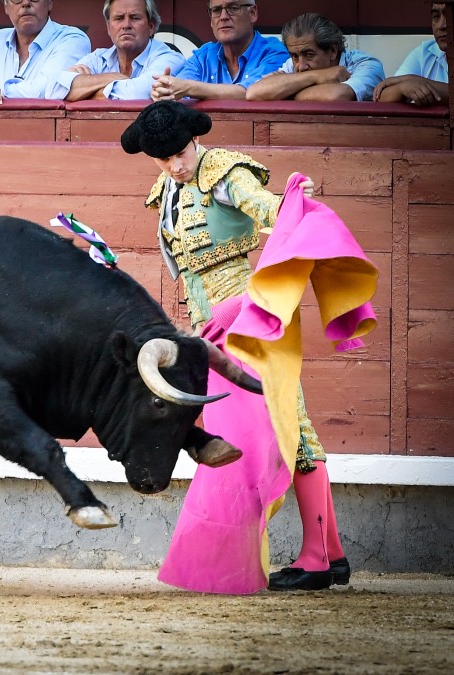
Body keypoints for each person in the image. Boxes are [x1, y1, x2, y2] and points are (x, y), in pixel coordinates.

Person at [122, 101, 355, 593]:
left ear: (195, 141)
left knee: (291, 424)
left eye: (180, 154)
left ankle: (315, 559)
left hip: (252, 320)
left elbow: (269, 210)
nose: (174, 166)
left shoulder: (225, 172)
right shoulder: (166, 187)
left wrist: (293, 200)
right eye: (162, 159)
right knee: (275, 426)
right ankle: (331, 553)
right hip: (211, 330)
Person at [0, 0, 90, 104]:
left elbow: (44, 91)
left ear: (50, 2)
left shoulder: (73, 39)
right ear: (6, 6)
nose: (26, 3)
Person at [46, 0, 185, 101]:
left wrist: (85, 91)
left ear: (151, 27)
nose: (126, 25)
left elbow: (136, 94)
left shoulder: (169, 58)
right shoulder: (97, 58)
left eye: (135, 18)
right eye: (118, 18)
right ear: (108, 28)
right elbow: (53, 90)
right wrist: (114, 77)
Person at [150, 1, 287, 101]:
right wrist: (164, 91)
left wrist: (188, 88)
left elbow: (253, 93)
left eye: (233, 8)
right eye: (216, 10)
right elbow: (177, 88)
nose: (223, 17)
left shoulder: (274, 52)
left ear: (252, 13)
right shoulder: (202, 56)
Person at [247, 13, 385, 102]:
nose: (300, 66)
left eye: (309, 55)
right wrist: (317, 76)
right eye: (295, 56)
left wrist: (283, 92)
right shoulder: (294, 62)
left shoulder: (366, 64)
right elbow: (254, 93)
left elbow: (336, 96)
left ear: (332, 51)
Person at [374, 2, 448, 106]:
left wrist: (413, 80)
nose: (441, 26)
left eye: (450, 16)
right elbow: (381, 96)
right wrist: (402, 88)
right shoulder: (426, 51)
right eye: (436, 16)